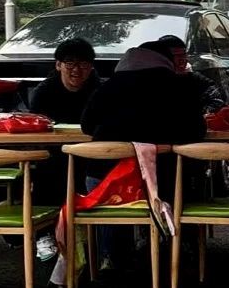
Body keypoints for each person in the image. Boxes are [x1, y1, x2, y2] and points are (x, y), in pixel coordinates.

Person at [79, 43, 207, 269]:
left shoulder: (109, 86)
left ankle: (111, 257)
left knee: (108, 191)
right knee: (187, 175)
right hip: (161, 180)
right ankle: (176, 249)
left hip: (105, 181)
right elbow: (196, 131)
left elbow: (87, 125)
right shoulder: (180, 86)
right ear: (166, 61)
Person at [28, 37, 101, 262]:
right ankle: (43, 234)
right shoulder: (43, 92)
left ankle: (97, 237)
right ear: (58, 65)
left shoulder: (100, 90)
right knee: (46, 171)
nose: (76, 70)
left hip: (90, 153)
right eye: (70, 63)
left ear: (91, 67)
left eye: (83, 64)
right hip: (55, 153)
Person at [155, 34, 226, 115]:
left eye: (183, 54)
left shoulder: (197, 79)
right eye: (176, 55)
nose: (182, 60)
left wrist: (205, 113)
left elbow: (217, 100)